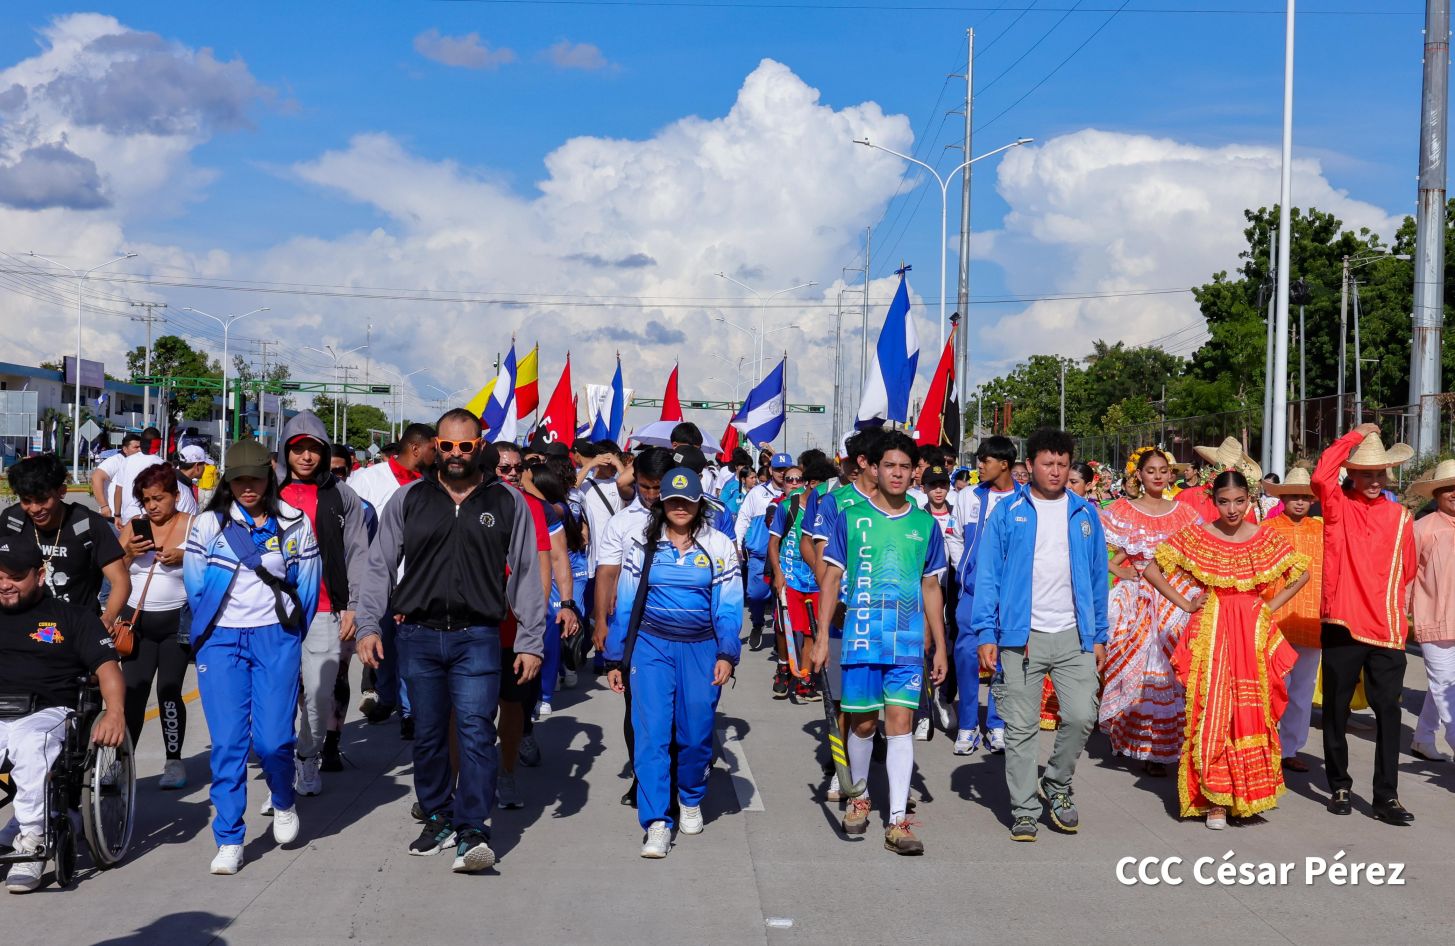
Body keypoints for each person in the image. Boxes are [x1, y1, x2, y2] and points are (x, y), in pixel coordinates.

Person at [356, 409, 546, 874]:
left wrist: (530, 640)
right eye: (447, 446)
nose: (456, 454)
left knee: (477, 730)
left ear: (480, 445)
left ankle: (473, 829)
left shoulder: (508, 502)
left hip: (478, 636)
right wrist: (366, 625)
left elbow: (525, 573)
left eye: (465, 446)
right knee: (427, 734)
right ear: (435, 448)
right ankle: (439, 816)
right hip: (417, 635)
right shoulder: (408, 499)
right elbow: (379, 566)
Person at [1141, 470, 1308, 829]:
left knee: (1251, 710)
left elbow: (1301, 574)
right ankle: (1215, 800)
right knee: (1213, 708)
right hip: (1212, 628)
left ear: (1249, 500)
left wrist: (1268, 607)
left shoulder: (1265, 537)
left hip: (1251, 629)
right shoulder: (1199, 536)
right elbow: (1153, 570)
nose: (1232, 509)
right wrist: (1186, 605)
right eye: (1223, 501)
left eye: (1239, 501)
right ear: (1213, 502)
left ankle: (1245, 797)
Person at [184, 439, 321, 875]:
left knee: (273, 740)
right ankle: (229, 836)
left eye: (256, 478)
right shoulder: (207, 525)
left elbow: (309, 588)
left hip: (275, 639)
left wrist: (289, 636)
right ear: (227, 479)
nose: (248, 487)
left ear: (270, 477)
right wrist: (211, 632)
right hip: (221, 642)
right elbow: (195, 586)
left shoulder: (295, 523)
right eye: (239, 479)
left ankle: (283, 799)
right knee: (228, 743)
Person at [807, 432, 946, 856]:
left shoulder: (926, 524)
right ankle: (860, 799)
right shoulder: (850, 517)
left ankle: (899, 822)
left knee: (901, 725)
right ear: (874, 469)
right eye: (890, 466)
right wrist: (820, 640)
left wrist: (939, 644)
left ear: (914, 472)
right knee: (864, 724)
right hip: (861, 638)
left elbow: (931, 586)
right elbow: (830, 578)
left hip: (905, 642)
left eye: (906, 467)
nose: (898, 473)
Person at [972, 428, 1108, 843]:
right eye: (1048, 464)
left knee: (1083, 715)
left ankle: (1057, 783)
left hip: (1074, 635)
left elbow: (1099, 577)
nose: (1056, 471)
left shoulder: (1084, 514)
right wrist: (985, 632)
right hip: (1020, 636)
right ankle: (1025, 808)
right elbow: (989, 575)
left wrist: (1099, 632)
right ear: (1029, 466)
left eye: (1063, 465)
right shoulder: (1008, 511)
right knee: (1021, 727)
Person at [604, 467, 742, 857]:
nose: (680, 508)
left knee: (696, 734)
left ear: (700, 503)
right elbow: (627, 603)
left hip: (700, 648)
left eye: (687, 501)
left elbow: (729, 606)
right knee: (650, 733)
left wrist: (727, 654)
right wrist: (615, 658)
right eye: (672, 501)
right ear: (661, 503)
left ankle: (691, 796)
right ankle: (657, 823)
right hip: (652, 649)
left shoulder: (718, 545)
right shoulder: (644, 546)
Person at [0, 539, 126, 893]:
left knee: (30, 745)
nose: (4, 583)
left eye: (14, 576)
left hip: (47, 710)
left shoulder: (72, 617)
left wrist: (114, 712)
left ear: (39, 576)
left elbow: (108, 667)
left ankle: (33, 842)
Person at [1312, 424, 1417, 824]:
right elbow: (1322, 475)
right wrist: (1351, 437)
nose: (1373, 481)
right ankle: (1339, 783)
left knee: (1388, 710)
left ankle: (1386, 797)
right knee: (1336, 708)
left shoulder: (1401, 516)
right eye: (1366, 473)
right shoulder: (1338, 506)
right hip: (1342, 622)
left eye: (1379, 474)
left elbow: (1408, 569)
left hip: (1388, 628)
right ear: (1352, 474)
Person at [276, 412, 372, 791]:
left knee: (318, 700)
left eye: (314, 448)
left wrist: (354, 605)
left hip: (325, 610)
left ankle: (308, 757)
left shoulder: (342, 495)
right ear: (285, 450)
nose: (306, 456)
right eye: (298, 448)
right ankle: (280, 777)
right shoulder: (267, 491)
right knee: (277, 699)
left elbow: (358, 553)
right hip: (271, 613)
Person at [1096, 447, 1202, 776]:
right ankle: (1131, 736)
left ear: (1171, 475)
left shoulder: (1184, 513)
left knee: (1171, 673)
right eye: (1150, 470)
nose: (1157, 476)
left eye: (1162, 470)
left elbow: (1197, 555)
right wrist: (1121, 570)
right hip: (1137, 600)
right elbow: (1097, 550)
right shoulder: (1122, 510)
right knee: (1133, 672)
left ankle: (1161, 748)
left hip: (1177, 599)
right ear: (1138, 476)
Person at [593, 447, 674, 806]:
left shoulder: (692, 517)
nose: (652, 495)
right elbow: (607, 574)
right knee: (637, 709)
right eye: (645, 486)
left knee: (676, 712)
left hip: (680, 631)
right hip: (634, 633)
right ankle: (644, 779)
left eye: (659, 487)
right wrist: (601, 623)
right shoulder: (622, 523)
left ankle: (674, 779)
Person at [349, 422, 437, 734]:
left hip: (417, 583)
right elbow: (352, 530)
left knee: (411, 650)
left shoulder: (433, 483)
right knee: (383, 646)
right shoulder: (366, 480)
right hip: (380, 579)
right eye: (432, 448)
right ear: (416, 448)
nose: (437, 453)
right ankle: (386, 697)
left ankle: (409, 713)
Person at [117, 462, 194, 790]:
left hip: (176, 623)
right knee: (133, 693)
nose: (152, 506)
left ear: (176, 496)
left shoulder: (194, 525)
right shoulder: (135, 526)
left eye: (158, 498)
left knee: (169, 691)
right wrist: (128, 554)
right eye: (146, 500)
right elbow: (112, 572)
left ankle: (174, 761)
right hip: (138, 624)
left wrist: (185, 558)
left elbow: (215, 570)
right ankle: (123, 764)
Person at [2, 453, 129, 627]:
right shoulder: (13, 521)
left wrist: (107, 619)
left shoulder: (88, 524)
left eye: (42, 499)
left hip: (76, 627)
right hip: (24, 625)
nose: (34, 509)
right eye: (26, 500)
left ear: (61, 491)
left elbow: (120, 580)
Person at [951, 435, 1018, 756]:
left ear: (1004, 464)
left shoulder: (1023, 500)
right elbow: (954, 539)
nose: (979, 465)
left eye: (985, 460)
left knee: (1004, 659)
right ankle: (967, 725)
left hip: (1009, 598)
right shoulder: (968, 497)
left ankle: (997, 724)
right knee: (966, 656)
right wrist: (965, 570)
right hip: (972, 593)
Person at [1259, 467, 1325, 772]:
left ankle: (1290, 749)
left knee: (1303, 688)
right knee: (1273, 685)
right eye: (1293, 496)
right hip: (1277, 617)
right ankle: (1266, 745)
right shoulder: (1268, 530)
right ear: (1282, 498)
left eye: (1304, 496)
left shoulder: (1321, 530)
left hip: (1312, 619)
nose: (1299, 501)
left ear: (1312, 500)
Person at [768, 460, 832, 702]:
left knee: (810, 631)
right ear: (812, 484)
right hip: (790, 575)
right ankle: (784, 668)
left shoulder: (829, 508)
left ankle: (804, 679)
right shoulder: (789, 507)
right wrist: (778, 572)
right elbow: (773, 543)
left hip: (816, 580)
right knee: (786, 627)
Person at [1407, 459, 1455, 763]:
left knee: (1443, 686)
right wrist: (1399, 615)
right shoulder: (1422, 529)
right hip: (1434, 619)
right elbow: (1405, 577)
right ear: (1437, 493)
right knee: (1446, 688)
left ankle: (1423, 737)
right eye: (1449, 488)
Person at [736, 452, 793, 649]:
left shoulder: (795, 496)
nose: (781, 473)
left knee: (782, 597)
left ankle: (781, 634)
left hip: (785, 556)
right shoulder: (757, 493)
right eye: (778, 469)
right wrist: (737, 545)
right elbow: (743, 518)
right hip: (759, 555)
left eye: (785, 469)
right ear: (770, 470)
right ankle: (758, 624)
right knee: (756, 595)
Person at [110, 427, 199, 525]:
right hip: (150, 519)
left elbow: (118, 490)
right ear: (158, 444)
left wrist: (117, 515)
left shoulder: (126, 461)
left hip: (127, 519)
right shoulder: (162, 465)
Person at [90, 432, 141, 523]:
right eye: (136, 447)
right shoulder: (116, 460)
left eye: (140, 447)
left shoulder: (137, 463)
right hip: (114, 518)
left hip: (132, 517)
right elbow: (96, 477)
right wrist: (104, 506)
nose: (139, 450)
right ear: (125, 449)